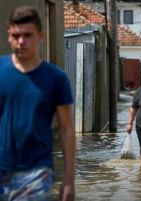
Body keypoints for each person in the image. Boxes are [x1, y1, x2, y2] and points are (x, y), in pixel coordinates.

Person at [0, 6, 75, 201]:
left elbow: (67, 129)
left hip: (36, 173)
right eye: (16, 36)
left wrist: (68, 179)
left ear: (41, 36)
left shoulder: (56, 79)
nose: (21, 42)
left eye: (28, 35)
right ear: (9, 36)